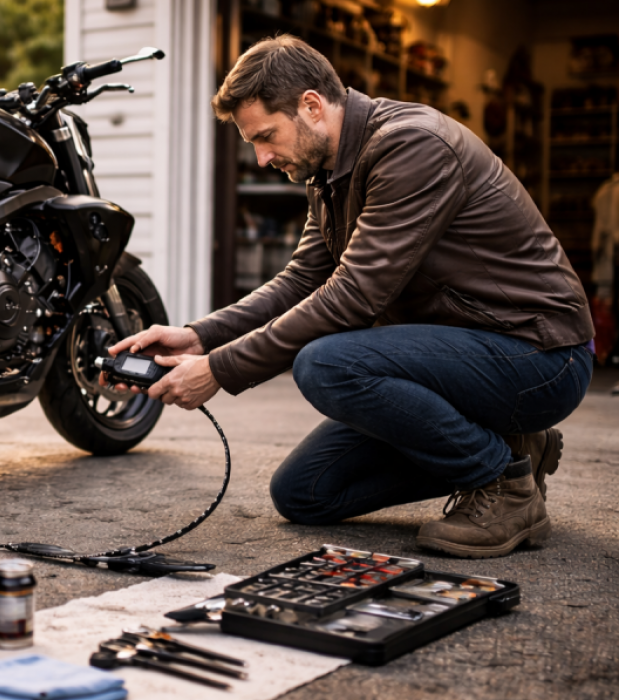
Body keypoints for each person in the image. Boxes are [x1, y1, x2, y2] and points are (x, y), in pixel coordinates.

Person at [110, 35, 595, 559]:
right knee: (305, 493)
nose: (263, 156)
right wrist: (197, 335)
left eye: (267, 136)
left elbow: (352, 296)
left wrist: (220, 370)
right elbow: (300, 280)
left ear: (312, 106)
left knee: (326, 364)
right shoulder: (328, 172)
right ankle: (516, 445)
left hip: (540, 356)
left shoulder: (413, 145)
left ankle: (503, 484)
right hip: (468, 357)